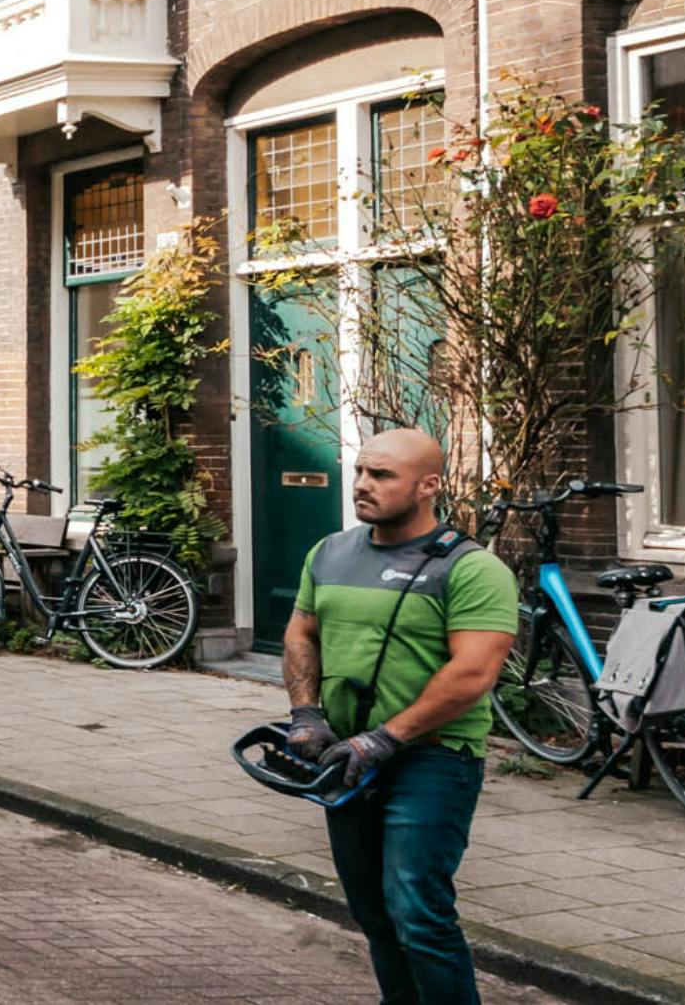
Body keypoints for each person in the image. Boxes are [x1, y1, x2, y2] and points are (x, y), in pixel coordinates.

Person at [281, 428, 518, 1005]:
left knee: (418, 910)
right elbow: (302, 631)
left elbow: (473, 674)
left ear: (429, 485)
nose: (362, 485)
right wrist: (306, 714)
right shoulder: (330, 552)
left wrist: (385, 739)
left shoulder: (472, 569)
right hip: (345, 755)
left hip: (433, 759)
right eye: (361, 472)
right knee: (372, 910)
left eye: (381, 475)